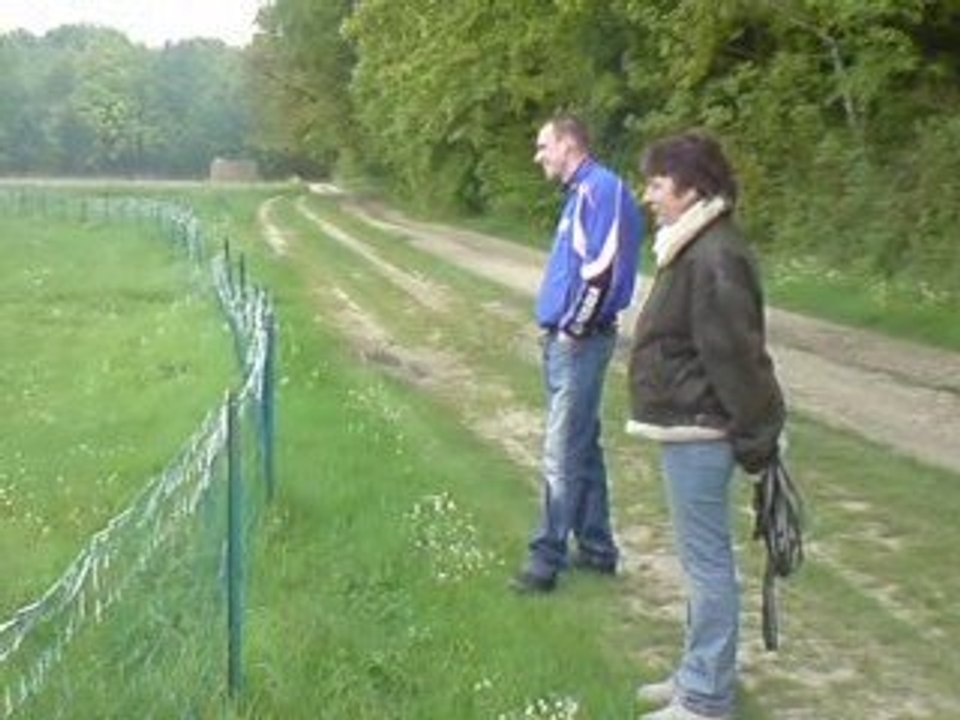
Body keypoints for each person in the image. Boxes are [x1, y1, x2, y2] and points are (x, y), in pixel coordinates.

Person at [627, 132, 785, 719]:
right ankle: (696, 675)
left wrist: (757, 438)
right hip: (689, 428)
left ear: (692, 189)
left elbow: (735, 357)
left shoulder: (714, 254)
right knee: (699, 563)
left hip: (703, 432)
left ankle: (705, 699)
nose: (648, 196)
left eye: (658, 185)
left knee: (707, 566)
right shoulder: (694, 246)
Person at [511, 114, 644, 593]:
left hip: (581, 342)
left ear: (569, 144)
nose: (538, 154)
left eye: (544, 144)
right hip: (567, 341)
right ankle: (597, 548)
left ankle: (546, 558)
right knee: (582, 445)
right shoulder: (578, 196)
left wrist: (575, 328)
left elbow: (603, 271)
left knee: (561, 449)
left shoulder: (600, 190)